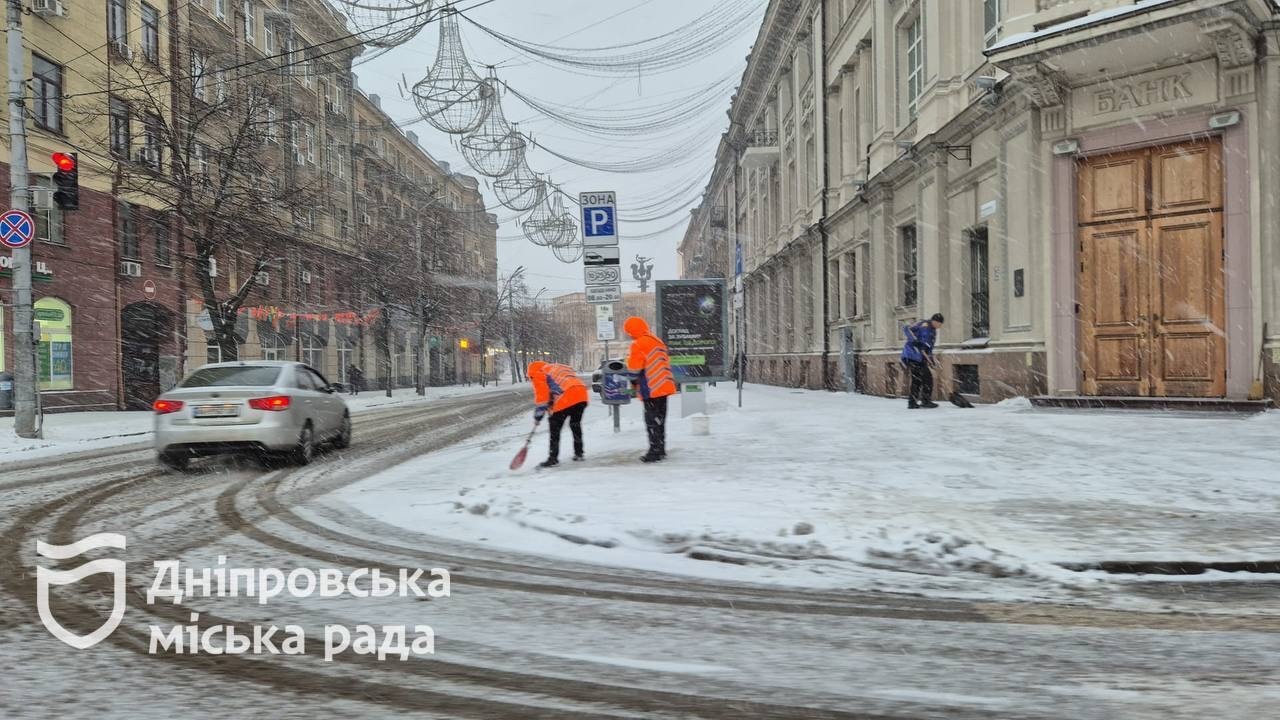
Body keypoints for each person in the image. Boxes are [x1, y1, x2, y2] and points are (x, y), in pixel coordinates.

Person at [623, 316, 676, 462]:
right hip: (664, 386)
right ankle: (661, 449)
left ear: (632, 331)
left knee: (651, 421)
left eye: (629, 332)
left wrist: (633, 384)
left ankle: (654, 452)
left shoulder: (638, 344)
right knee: (660, 420)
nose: (629, 335)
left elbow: (634, 370)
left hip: (651, 388)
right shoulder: (657, 341)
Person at [528, 360, 589, 468]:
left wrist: (538, 416)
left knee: (555, 429)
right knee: (575, 424)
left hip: (566, 397)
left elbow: (543, 397)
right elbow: (555, 389)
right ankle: (579, 453)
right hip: (581, 394)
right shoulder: (556, 368)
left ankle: (553, 458)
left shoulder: (538, 373)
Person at [901, 313, 944, 409]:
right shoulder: (922, 324)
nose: (939, 327)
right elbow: (906, 328)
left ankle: (915, 402)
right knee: (923, 379)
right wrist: (914, 341)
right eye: (939, 324)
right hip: (912, 355)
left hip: (921, 357)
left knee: (922, 379)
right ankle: (922, 401)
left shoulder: (933, 331)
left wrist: (931, 360)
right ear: (935, 321)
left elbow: (928, 347)